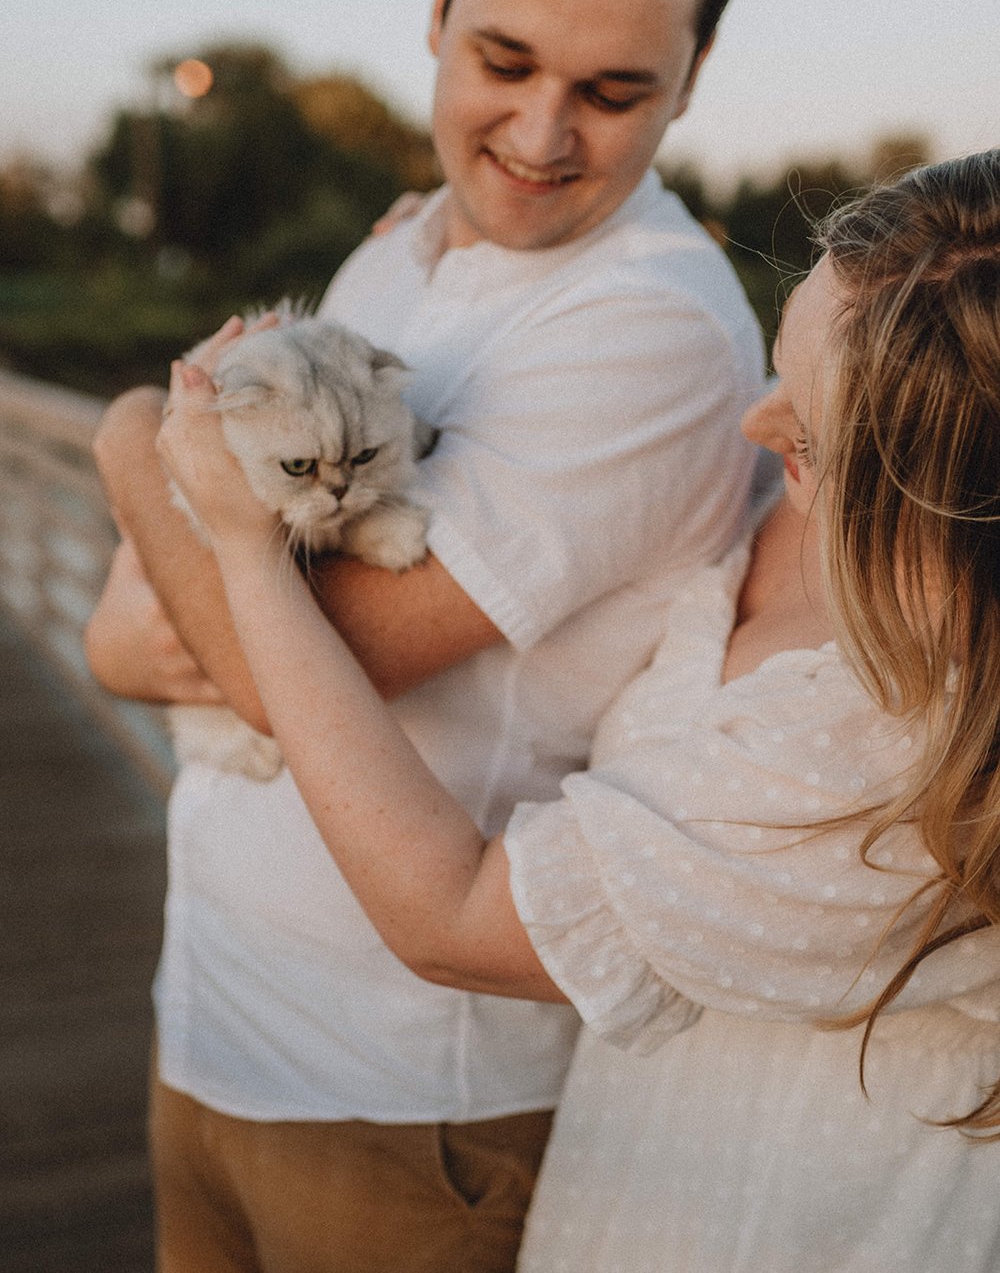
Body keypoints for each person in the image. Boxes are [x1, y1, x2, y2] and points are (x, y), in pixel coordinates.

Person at [85, 0, 763, 1271]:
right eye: (504, 59)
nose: (536, 134)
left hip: (408, 1106)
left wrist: (132, 443)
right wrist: (151, 609)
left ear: (694, 76)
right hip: (210, 1019)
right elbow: (145, 642)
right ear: (439, 4)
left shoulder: (651, 330)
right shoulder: (393, 246)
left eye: (613, 90)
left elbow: (277, 673)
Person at [157, 147, 1000, 1272]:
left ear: (944, 501)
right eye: (776, 365)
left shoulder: (896, 749)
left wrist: (220, 522)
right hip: (604, 1174)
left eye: (806, 435)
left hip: (776, 1223)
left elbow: (449, 917)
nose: (751, 430)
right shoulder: (798, 522)